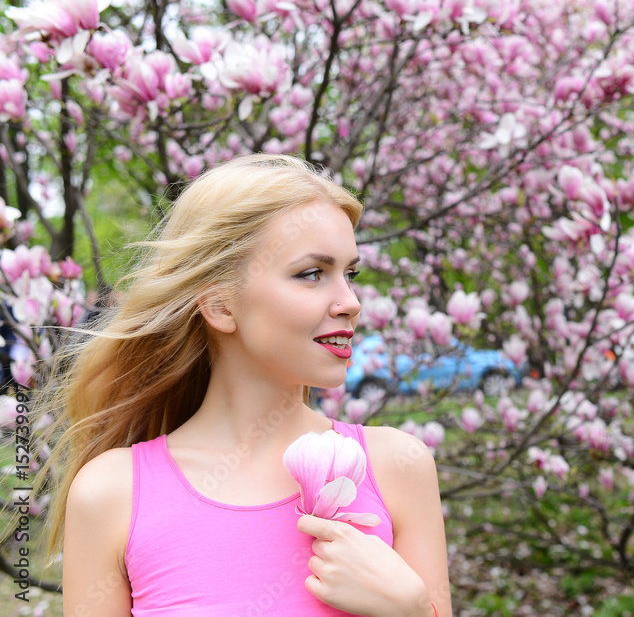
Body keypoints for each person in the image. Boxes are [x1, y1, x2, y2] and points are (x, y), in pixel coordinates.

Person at [34, 154, 451, 616]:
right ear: (220, 306)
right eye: (312, 273)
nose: (350, 302)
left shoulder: (398, 467)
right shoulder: (112, 493)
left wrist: (412, 611)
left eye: (350, 274)